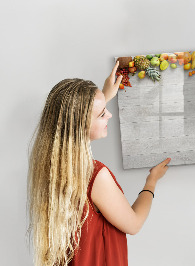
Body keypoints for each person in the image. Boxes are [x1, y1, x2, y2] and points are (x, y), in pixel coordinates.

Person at [27, 61, 171, 266]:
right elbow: (134, 224)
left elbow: (77, 118)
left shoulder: (50, 165)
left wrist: (104, 96)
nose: (109, 115)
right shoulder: (95, 176)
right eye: (102, 113)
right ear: (80, 125)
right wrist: (152, 181)